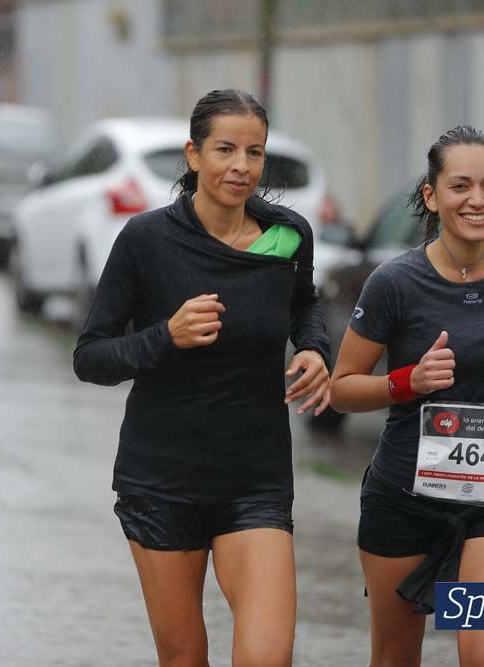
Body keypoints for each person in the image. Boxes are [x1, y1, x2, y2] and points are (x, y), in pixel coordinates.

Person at [73, 89, 331, 667]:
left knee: (268, 656)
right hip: (162, 479)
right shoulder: (146, 239)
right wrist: (167, 334)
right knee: (185, 658)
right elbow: (91, 356)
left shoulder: (287, 236)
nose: (241, 166)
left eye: (255, 152)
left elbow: (304, 303)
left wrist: (315, 348)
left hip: (254, 478)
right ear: (194, 155)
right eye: (225, 149)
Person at [329, 126, 484, 667]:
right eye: (461, 186)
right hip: (403, 499)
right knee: (395, 658)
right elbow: (341, 390)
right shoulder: (394, 283)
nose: (478, 200)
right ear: (431, 195)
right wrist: (408, 380)